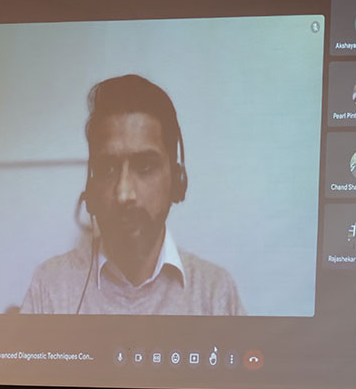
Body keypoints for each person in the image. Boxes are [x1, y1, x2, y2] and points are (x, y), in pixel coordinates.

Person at [21, 74, 245, 315]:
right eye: (108, 169)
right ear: (91, 188)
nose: (124, 193)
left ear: (177, 181)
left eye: (145, 166)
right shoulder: (50, 288)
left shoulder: (215, 292)